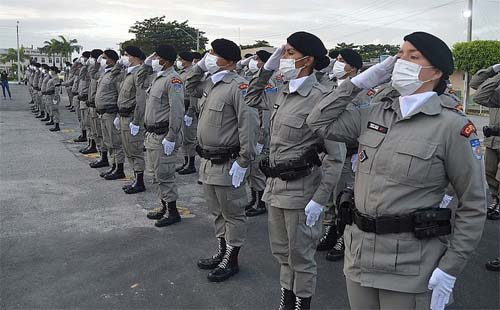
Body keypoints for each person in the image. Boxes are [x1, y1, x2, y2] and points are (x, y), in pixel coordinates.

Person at [306, 31, 487, 310]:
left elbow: (473, 203)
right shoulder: (375, 113)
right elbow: (318, 121)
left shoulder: (452, 127)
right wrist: (355, 84)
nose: (402, 61)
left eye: (413, 57)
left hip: (410, 265)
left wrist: (451, 266)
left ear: (436, 71)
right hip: (360, 255)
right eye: (400, 55)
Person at [245, 31, 345, 309]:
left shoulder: (322, 97)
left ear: (308, 59)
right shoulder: (282, 90)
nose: (284, 57)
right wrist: (267, 69)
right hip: (275, 188)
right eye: (284, 52)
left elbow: (336, 158)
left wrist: (319, 200)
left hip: (303, 192)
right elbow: (251, 97)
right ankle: (286, 301)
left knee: (301, 257)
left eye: (289, 53)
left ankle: (301, 305)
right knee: (282, 254)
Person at [186, 38, 258, 283]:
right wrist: (198, 67)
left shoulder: (240, 87)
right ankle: (221, 251)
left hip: (229, 163)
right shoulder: (210, 83)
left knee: (233, 214)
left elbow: (248, 126)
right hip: (207, 162)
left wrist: (244, 161)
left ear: (228, 61)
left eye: (213, 53)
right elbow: (187, 85)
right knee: (217, 212)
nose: (209, 56)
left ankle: (232, 258)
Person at [316, 49, 364, 261]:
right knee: (328, 197)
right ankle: (331, 231)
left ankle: (344, 237)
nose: (337, 63)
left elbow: (364, 126)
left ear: (353, 68)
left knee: (344, 198)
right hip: (329, 154)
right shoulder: (330, 89)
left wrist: (360, 152)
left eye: (342, 61)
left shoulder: (362, 93)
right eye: (337, 60)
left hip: (349, 155)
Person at [142, 45, 184, 227]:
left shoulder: (173, 79)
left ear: (165, 60)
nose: (154, 59)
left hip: (163, 135)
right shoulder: (158, 78)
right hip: (152, 134)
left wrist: (172, 136)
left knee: (165, 175)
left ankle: (173, 212)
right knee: (156, 175)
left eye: (157, 56)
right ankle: (164, 206)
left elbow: (177, 110)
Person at [470, 63, 500, 273]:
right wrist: (495, 71)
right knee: (490, 174)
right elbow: (479, 93)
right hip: (493, 142)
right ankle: (497, 202)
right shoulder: (497, 90)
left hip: (495, 134)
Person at [240, 49, 274, 217]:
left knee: (257, 169)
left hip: (261, 134)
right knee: (252, 169)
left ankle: (260, 202)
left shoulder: (269, 84)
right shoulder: (254, 80)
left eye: (259, 60)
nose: (256, 63)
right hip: (253, 132)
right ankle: (254, 198)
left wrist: (261, 137)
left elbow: (267, 115)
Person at [113, 46, 150, 186]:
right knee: (128, 150)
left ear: (134, 57)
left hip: (132, 119)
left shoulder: (138, 75)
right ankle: (135, 178)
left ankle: (140, 181)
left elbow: (140, 101)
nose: (124, 57)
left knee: (135, 150)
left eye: (126, 55)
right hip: (123, 117)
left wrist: (136, 121)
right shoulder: (127, 74)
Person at [95, 49, 126, 179]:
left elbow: (120, 95)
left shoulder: (117, 75)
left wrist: (119, 115)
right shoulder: (105, 74)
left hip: (111, 113)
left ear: (112, 60)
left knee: (116, 143)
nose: (102, 60)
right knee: (108, 142)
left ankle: (119, 169)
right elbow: (92, 73)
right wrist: (97, 63)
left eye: (104, 57)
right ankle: (113, 166)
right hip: (103, 113)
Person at [176, 51, 198, 175]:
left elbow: (193, 95)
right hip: (182, 109)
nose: (180, 62)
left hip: (189, 108)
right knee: (184, 138)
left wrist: (190, 111)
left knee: (190, 138)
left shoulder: (193, 72)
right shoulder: (182, 72)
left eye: (181, 59)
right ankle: (185, 162)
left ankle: (191, 164)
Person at [45, 66, 62, 132]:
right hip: (50, 96)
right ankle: (55, 124)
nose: (50, 71)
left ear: (54, 71)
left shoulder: (55, 78)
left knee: (55, 111)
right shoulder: (53, 78)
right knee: (52, 110)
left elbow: (57, 88)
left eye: (51, 70)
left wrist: (55, 97)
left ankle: (57, 126)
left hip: (53, 96)